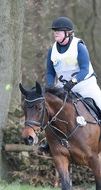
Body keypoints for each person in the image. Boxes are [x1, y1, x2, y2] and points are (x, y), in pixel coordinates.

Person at [38, 16, 101, 152]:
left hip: (85, 84)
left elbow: (84, 69)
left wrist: (72, 83)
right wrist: (51, 87)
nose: (55, 33)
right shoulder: (52, 50)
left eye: (58, 30)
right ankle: (49, 142)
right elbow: (50, 72)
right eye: (54, 31)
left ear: (68, 32)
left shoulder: (79, 46)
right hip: (63, 87)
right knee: (49, 110)